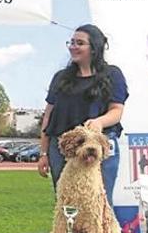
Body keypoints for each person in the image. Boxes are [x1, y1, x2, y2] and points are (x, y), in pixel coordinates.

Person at [37, 24, 128, 206]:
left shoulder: (113, 74)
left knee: (99, 201)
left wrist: (99, 122)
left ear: (94, 48)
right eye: (71, 42)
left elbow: (116, 111)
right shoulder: (61, 78)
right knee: (66, 201)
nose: (73, 47)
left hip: (98, 144)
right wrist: (44, 153)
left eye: (80, 43)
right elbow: (48, 116)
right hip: (62, 147)